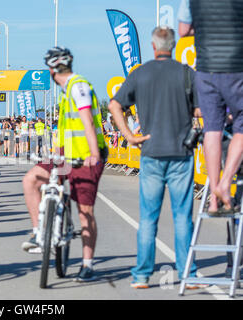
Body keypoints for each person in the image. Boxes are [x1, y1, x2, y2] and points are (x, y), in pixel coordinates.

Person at [108, 26, 205, 290]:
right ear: (173, 46)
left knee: (148, 217)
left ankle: (142, 275)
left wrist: (129, 135)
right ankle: (189, 273)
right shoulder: (187, 73)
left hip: (150, 153)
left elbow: (114, 105)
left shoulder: (140, 74)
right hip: (180, 154)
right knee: (183, 217)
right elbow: (201, 107)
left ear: (153, 46)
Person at [22, 47, 107, 282]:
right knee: (30, 180)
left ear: (51, 70)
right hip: (63, 154)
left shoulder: (78, 86)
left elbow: (87, 120)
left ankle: (87, 264)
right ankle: (40, 233)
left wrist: (93, 154)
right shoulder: (65, 91)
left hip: (85, 157)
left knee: (84, 213)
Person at [178, 0, 243, 214]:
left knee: (212, 129)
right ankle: (225, 183)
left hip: (206, 69)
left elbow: (183, 30)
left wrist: (207, 28)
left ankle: (214, 200)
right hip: (236, 65)